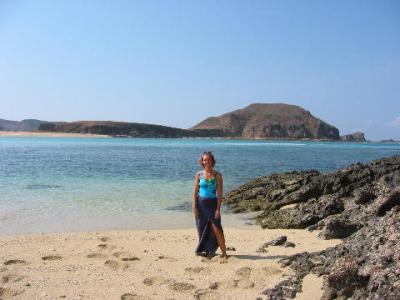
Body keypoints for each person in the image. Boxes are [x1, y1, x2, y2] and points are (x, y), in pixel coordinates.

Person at [192, 151, 228, 262]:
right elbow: (195, 191)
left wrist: (218, 209)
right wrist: (194, 205)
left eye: (208, 160)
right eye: (204, 160)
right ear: (202, 162)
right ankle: (207, 251)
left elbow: (220, 193)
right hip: (200, 204)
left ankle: (224, 253)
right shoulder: (199, 175)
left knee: (217, 229)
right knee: (201, 228)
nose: (206, 162)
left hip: (212, 204)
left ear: (212, 161)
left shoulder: (217, 175)